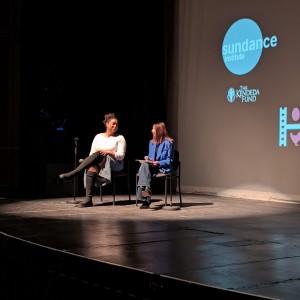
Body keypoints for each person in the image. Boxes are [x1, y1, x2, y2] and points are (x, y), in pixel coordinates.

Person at [58, 113, 126, 208]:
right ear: (107, 124)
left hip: (115, 163)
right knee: (91, 166)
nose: (115, 126)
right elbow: (92, 154)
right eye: (113, 124)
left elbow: (121, 156)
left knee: (99, 154)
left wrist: (108, 152)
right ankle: (88, 199)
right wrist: (93, 159)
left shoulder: (120, 138)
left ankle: (74, 173)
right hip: (99, 162)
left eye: (117, 124)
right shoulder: (98, 136)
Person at [136, 122, 174, 209]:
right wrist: (148, 159)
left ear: (159, 131)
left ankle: (146, 199)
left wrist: (159, 163)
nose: (151, 130)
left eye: (153, 129)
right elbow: (151, 157)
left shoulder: (168, 143)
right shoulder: (151, 142)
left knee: (144, 169)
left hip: (162, 168)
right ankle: (147, 189)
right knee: (145, 165)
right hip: (152, 167)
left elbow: (170, 160)